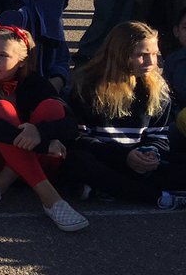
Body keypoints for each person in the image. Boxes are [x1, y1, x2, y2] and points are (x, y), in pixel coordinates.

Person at [0, 21, 87, 231]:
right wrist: (42, 144)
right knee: (1, 108)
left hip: (29, 164)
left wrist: (40, 132)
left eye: (3, 56)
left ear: (22, 61)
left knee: (52, 107)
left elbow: (72, 124)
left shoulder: (34, 82)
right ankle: (51, 200)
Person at [64, 21, 185, 209]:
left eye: (154, 54)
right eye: (142, 55)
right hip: (103, 158)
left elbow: (159, 137)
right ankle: (157, 197)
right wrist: (124, 156)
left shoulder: (158, 90)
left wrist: (152, 153)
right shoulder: (86, 86)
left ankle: (104, 189)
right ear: (120, 55)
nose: (151, 62)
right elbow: (78, 138)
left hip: (139, 162)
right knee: (76, 161)